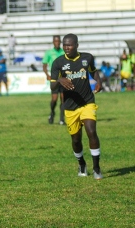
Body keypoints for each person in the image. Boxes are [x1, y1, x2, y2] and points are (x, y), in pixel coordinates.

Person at [50, 33, 103, 180]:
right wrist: (60, 80)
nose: (66, 47)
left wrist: (98, 82)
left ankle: (97, 168)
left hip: (87, 102)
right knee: (76, 140)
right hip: (70, 107)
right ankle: (81, 164)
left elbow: (93, 72)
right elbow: (52, 86)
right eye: (64, 45)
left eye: (69, 45)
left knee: (91, 131)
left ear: (77, 45)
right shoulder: (58, 63)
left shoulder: (87, 58)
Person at [42, 35, 65, 125]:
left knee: (63, 99)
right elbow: (44, 65)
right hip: (54, 79)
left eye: (58, 41)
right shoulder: (49, 52)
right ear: (53, 42)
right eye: (55, 41)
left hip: (63, 78)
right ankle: (52, 112)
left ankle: (62, 119)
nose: (57, 43)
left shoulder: (64, 52)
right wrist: (47, 74)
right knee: (54, 99)